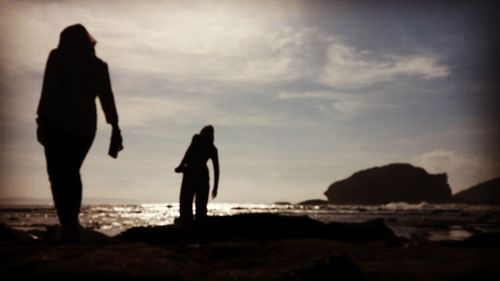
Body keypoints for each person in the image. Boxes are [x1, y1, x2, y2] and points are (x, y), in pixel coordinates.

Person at [36, 24, 123, 241]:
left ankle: (68, 225)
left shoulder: (58, 57)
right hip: (84, 128)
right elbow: (107, 100)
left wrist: (42, 120)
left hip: (57, 124)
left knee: (58, 175)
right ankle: (71, 224)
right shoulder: (98, 65)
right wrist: (114, 127)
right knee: (71, 173)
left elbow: (49, 90)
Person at [175, 125, 219, 224]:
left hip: (196, 174)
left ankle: (194, 225)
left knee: (197, 206)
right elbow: (188, 152)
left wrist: (215, 187)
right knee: (189, 204)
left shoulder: (209, 147)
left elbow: (216, 169)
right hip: (193, 173)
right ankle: (189, 223)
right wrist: (181, 165)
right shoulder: (198, 140)